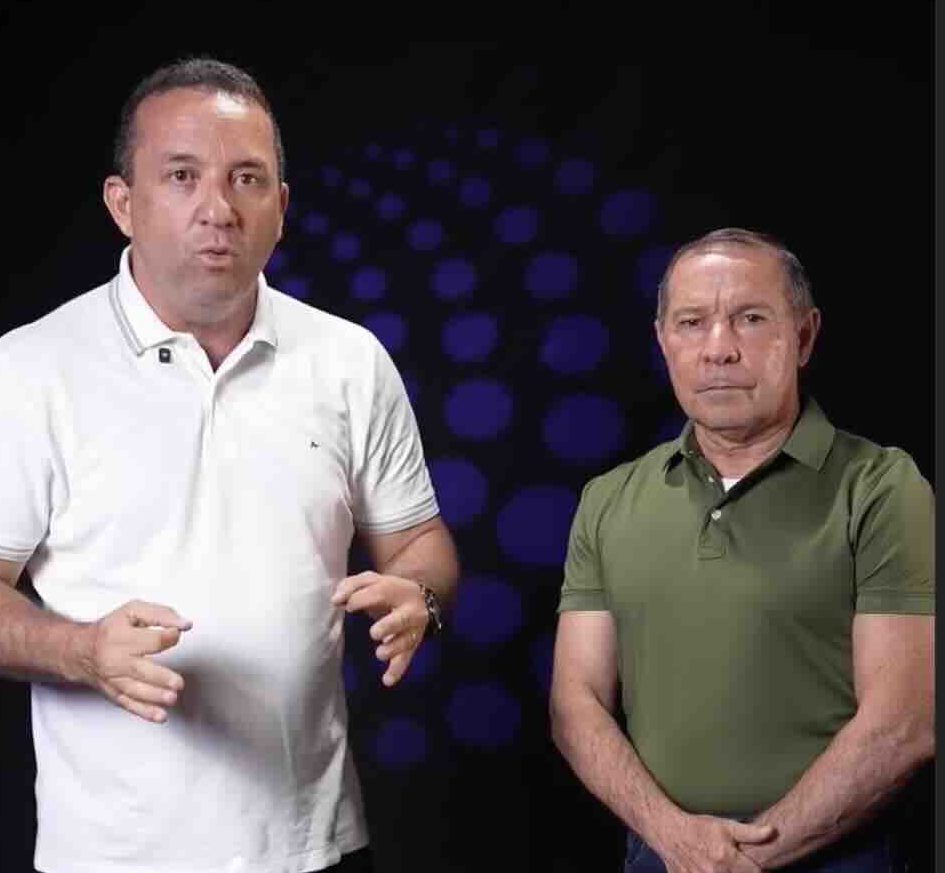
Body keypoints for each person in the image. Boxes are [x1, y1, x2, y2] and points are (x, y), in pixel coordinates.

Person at [0, 57, 458, 873]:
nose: (218, 208)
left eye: (247, 179)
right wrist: (84, 650)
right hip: (113, 854)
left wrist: (418, 595)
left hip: (312, 844)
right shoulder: (31, 370)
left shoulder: (349, 361)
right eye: (182, 176)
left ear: (280, 208)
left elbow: (420, 543)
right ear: (122, 203)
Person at [549, 227, 933, 872]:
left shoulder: (881, 487)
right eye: (692, 322)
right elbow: (574, 704)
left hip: (837, 856)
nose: (719, 348)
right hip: (661, 855)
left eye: (750, 319)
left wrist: (740, 861)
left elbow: (905, 723)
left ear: (804, 336)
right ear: (663, 341)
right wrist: (675, 839)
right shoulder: (608, 499)